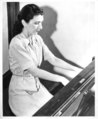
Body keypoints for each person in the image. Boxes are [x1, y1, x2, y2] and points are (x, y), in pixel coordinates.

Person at [9, 4, 82, 116]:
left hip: (36, 86)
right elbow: (34, 71)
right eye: (36, 23)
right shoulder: (16, 43)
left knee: (57, 111)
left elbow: (53, 59)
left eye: (41, 22)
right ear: (24, 22)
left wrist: (77, 70)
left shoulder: (37, 39)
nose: (41, 27)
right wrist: (60, 78)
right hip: (21, 91)